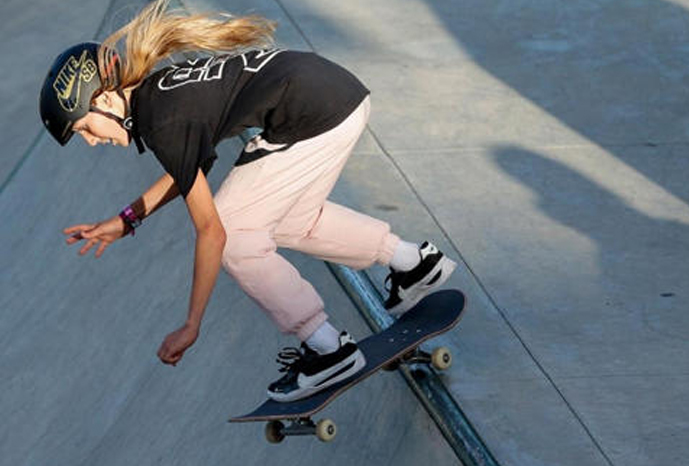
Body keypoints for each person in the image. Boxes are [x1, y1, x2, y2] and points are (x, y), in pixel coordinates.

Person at [40, 0, 456, 402]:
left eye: (84, 128)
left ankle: (328, 348)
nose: (91, 140)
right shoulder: (159, 95)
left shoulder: (163, 121)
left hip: (312, 115)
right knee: (291, 221)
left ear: (104, 99)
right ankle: (412, 262)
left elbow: (212, 232)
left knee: (236, 233)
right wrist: (128, 218)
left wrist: (191, 324)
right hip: (337, 96)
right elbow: (187, 174)